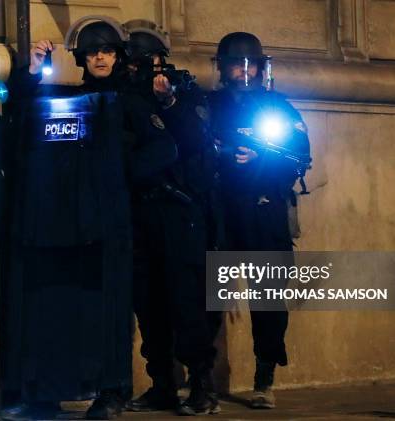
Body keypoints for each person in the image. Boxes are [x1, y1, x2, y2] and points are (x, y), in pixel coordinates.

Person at [1, 16, 177, 421]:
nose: (100, 57)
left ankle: (112, 390)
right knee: (65, 307)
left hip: (113, 223)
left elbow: (163, 150)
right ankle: (49, 390)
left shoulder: (132, 102)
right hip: (65, 223)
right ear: (82, 57)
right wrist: (30, 73)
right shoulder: (69, 100)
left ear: (119, 56)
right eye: (94, 51)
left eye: (108, 51)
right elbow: (22, 116)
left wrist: (118, 176)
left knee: (111, 310)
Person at [121, 20, 222, 416]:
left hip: (179, 213)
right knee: (148, 304)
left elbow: (196, 139)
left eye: (146, 63)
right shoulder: (125, 98)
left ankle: (201, 384)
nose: (140, 72)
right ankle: (162, 384)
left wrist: (170, 103)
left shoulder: (183, 93)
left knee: (187, 303)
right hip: (141, 211)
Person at [208, 32, 311, 409]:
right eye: (237, 63)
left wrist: (259, 159)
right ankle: (203, 379)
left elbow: (299, 155)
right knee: (209, 300)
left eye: (250, 64)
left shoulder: (278, 107)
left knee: (268, 300)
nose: (244, 71)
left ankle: (264, 377)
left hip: (265, 212)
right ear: (223, 67)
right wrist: (224, 156)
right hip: (222, 213)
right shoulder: (210, 106)